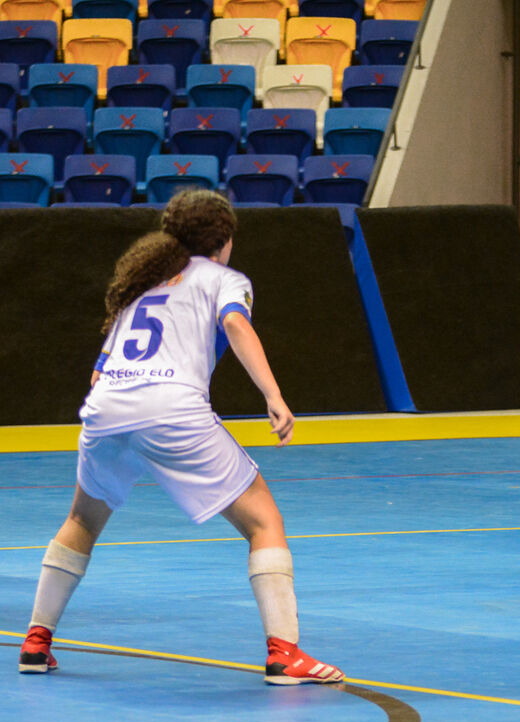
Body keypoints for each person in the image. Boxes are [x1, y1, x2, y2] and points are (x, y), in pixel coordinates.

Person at [18, 189, 344, 686]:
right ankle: (285, 654)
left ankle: (36, 643)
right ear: (225, 239)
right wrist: (274, 396)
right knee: (263, 521)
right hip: (171, 408)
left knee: (81, 519)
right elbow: (235, 322)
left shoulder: (141, 286)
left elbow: (97, 375)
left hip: (107, 408)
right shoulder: (225, 279)